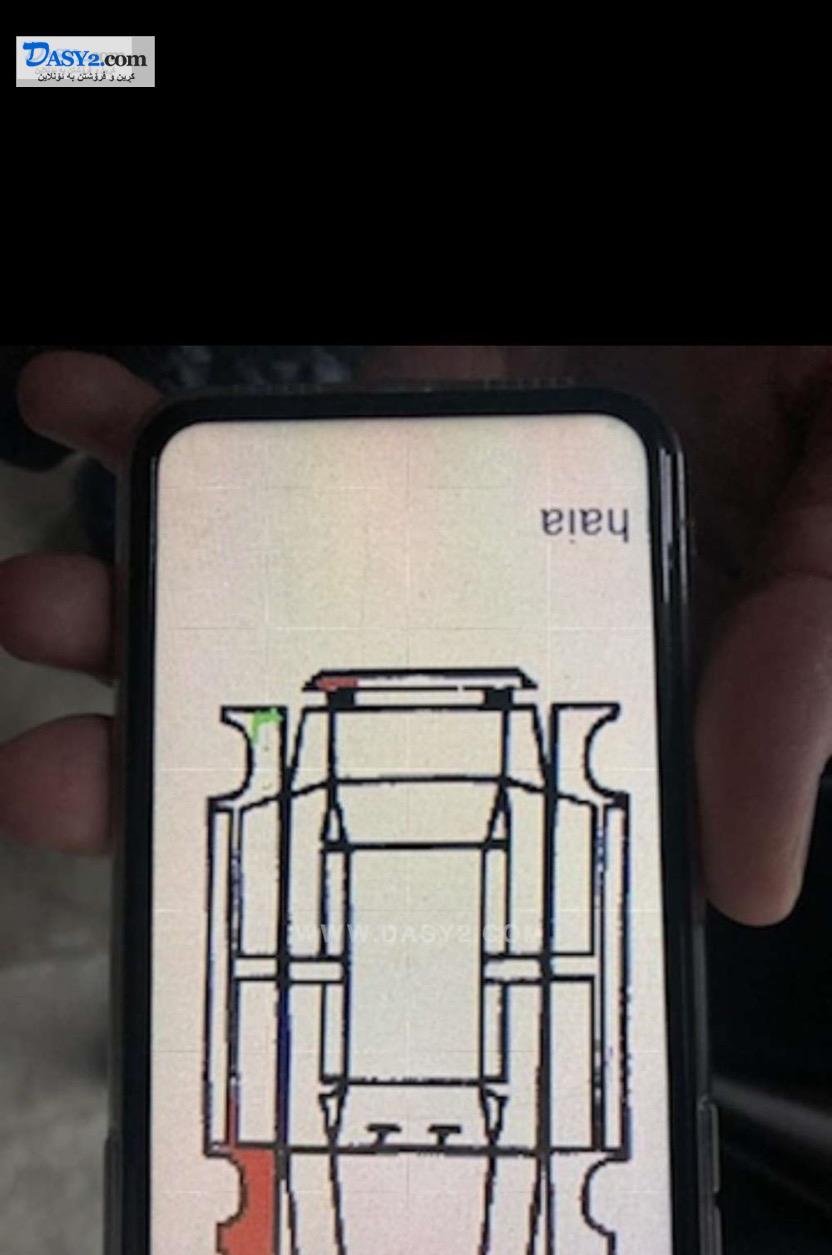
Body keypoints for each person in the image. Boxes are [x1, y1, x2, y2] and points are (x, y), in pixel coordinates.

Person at [0, 342, 831, 929]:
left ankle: (130, 530)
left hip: (235, 470)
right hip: (221, 450)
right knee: (173, 522)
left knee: (184, 526)